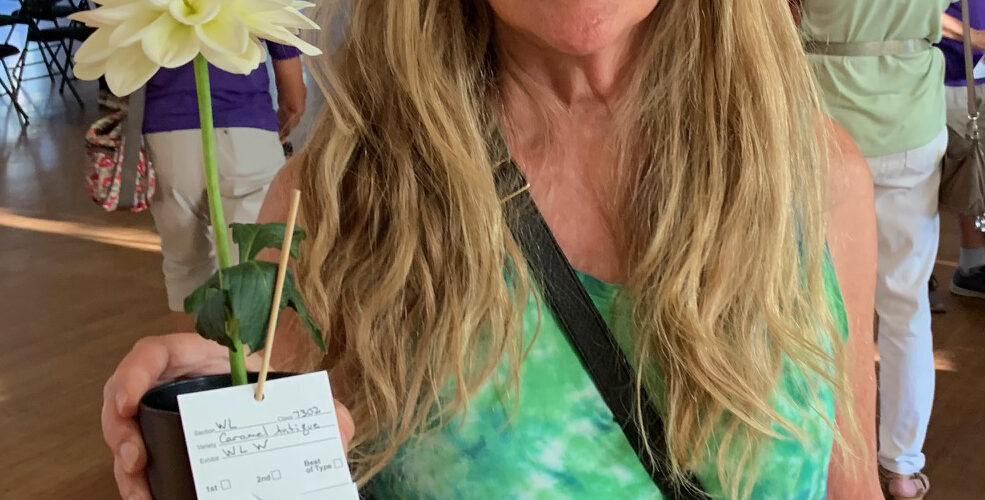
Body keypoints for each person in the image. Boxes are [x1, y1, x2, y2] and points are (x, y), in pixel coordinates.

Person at [102, 1, 881, 499]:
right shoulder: (341, 202)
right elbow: (280, 460)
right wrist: (219, 414)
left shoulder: (815, 177)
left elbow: (848, 486)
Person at [800, 1, 950, 498]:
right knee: (906, 306)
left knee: (818, 302)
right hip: (912, 118)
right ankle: (902, 469)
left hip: (823, 118)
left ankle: (825, 457)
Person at [143, 41, 307, 325]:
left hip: (167, 136)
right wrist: (280, 121)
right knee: (253, 265)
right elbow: (294, 97)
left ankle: (191, 353)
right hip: (248, 134)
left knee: (183, 267)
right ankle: (248, 352)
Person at [940, 1, 985, 300]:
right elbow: (918, 12)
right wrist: (974, 37)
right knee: (956, 170)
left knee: (975, 169)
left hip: (976, 76)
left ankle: (973, 265)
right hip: (951, 77)